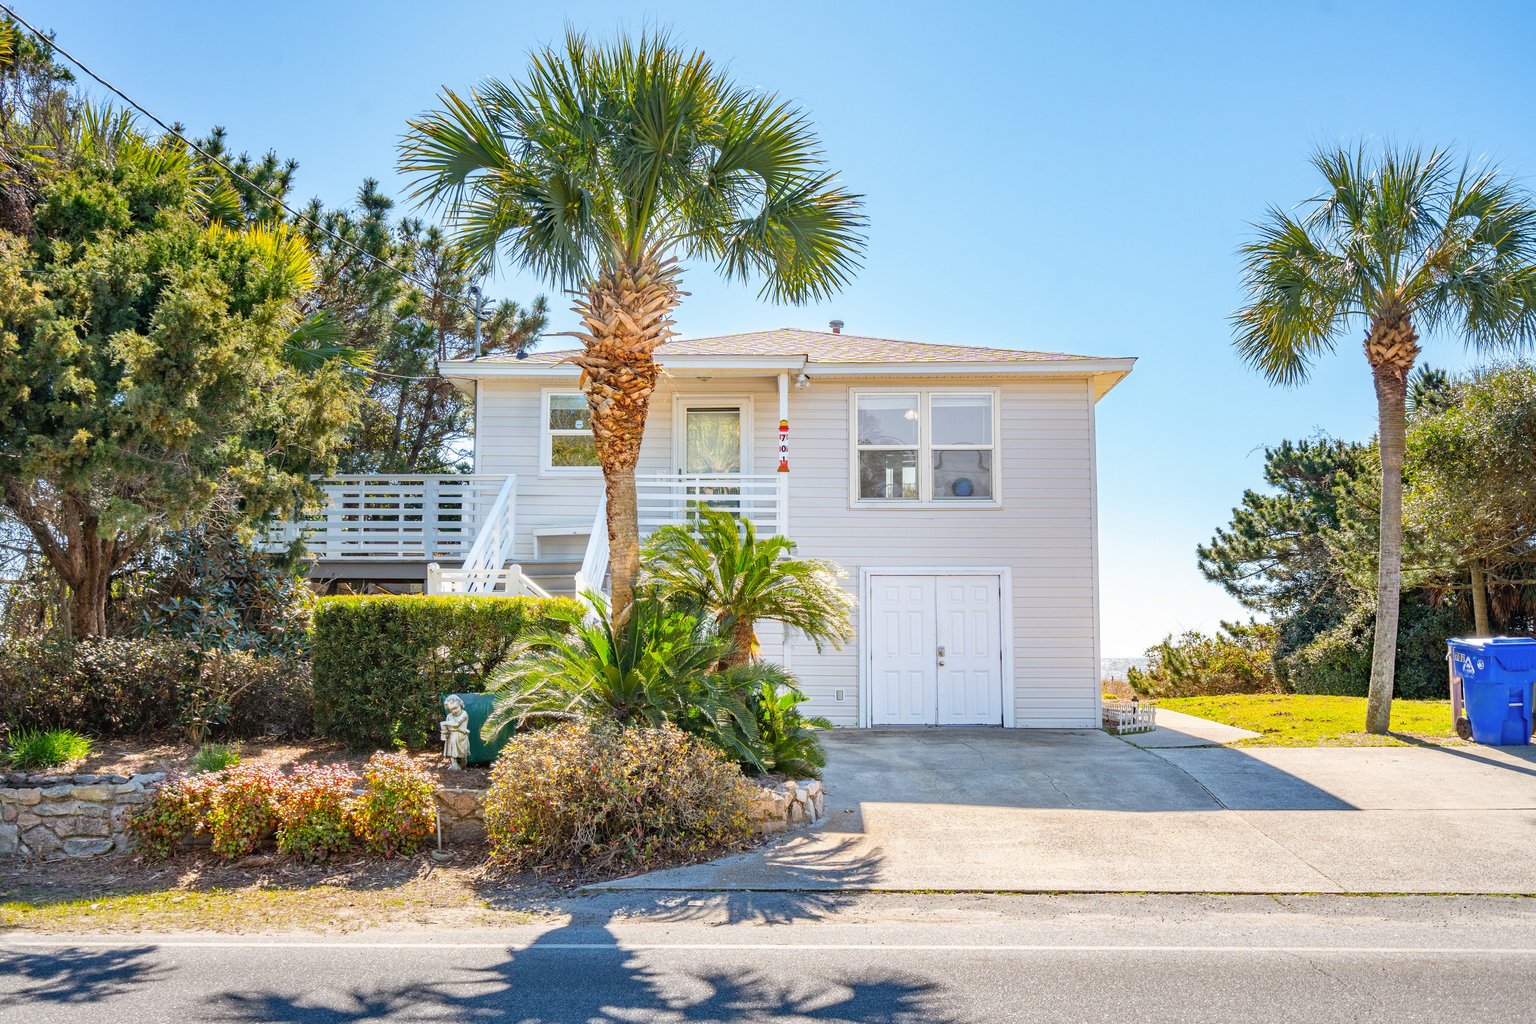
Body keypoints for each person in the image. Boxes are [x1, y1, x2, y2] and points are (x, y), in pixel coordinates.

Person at [440, 696, 471, 770]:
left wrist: (444, 723)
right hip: (452, 737)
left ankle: (461, 767)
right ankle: (454, 766)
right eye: (451, 709)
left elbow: (456, 723)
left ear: (461, 705)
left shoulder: (464, 714)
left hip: (461, 737)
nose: (454, 711)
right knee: (452, 755)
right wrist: (445, 732)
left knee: (463, 756)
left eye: (456, 708)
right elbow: (447, 728)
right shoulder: (449, 716)